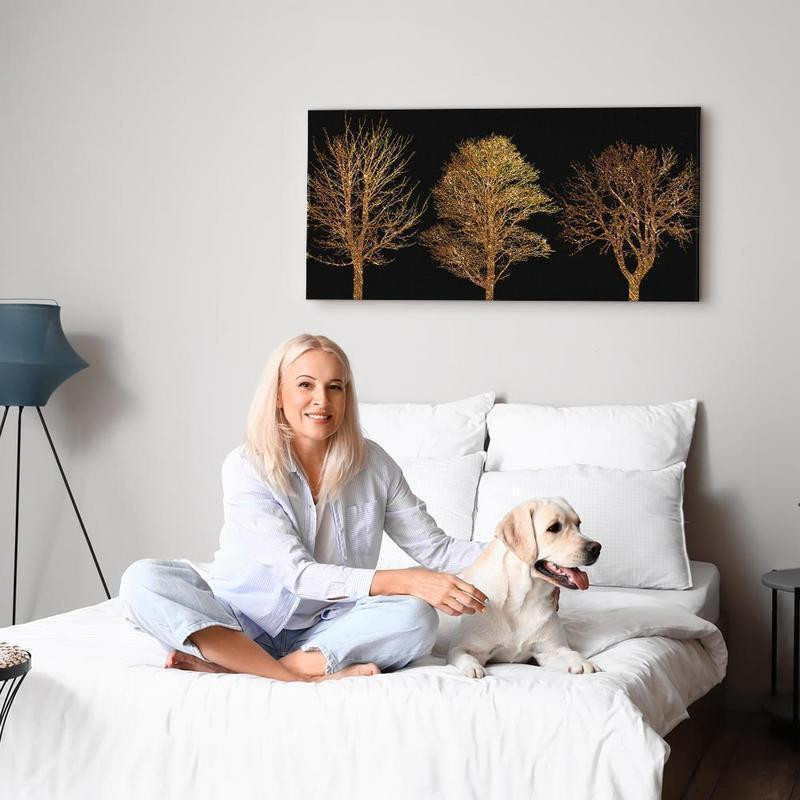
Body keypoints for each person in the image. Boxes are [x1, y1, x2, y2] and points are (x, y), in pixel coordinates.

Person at [119, 333, 489, 683]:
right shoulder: (247, 466)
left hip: (327, 629)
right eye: (305, 385)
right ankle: (296, 676)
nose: (321, 400)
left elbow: (437, 550)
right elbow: (296, 574)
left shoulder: (375, 465)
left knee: (417, 617)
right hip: (239, 624)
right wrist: (405, 579)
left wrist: (519, 554)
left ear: (346, 396)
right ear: (279, 395)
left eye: (334, 387)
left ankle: (244, 670)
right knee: (143, 579)